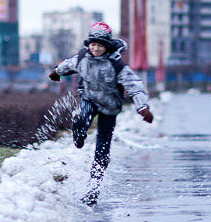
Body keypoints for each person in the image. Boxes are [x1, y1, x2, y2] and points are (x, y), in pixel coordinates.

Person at [48, 22, 153, 205]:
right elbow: (68, 64)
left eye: (100, 45)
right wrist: (57, 72)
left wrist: (142, 107)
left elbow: (134, 86)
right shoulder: (82, 58)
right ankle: (79, 136)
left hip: (110, 108)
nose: (95, 48)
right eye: (93, 44)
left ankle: (94, 187)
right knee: (81, 116)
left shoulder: (116, 65)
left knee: (102, 148)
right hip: (89, 98)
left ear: (107, 46)